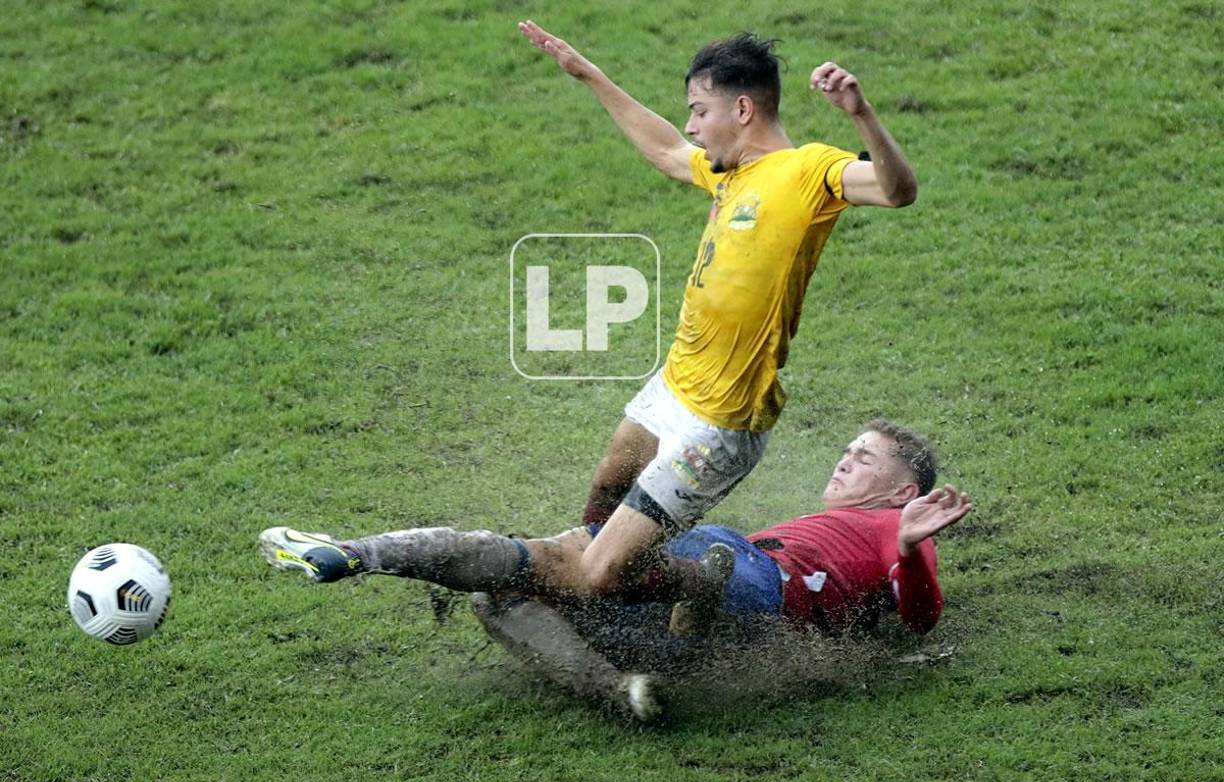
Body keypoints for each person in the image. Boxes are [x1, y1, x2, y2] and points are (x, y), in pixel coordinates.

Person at [511, 22, 920, 606]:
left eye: (700, 110)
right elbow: (666, 150)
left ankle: (681, 586)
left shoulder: (809, 171)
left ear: (744, 108)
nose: (691, 125)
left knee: (604, 570)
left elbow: (897, 190)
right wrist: (592, 76)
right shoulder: (728, 169)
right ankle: (601, 586)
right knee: (609, 480)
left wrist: (861, 114)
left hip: (725, 411)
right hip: (677, 384)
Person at [260, 420, 971, 721]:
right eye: (848, 449)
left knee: (562, 555)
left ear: (904, 490)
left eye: (865, 458)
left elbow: (920, 619)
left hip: (757, 587)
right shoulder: (867, 521)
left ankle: (360, 554)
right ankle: (625, 688)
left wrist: (909, 551)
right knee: (501, 594)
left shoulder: (895, 527)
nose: (845, 460)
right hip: (697, 630)